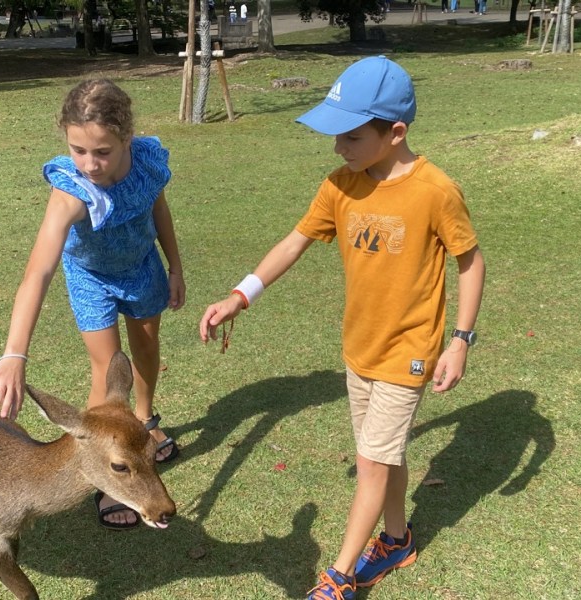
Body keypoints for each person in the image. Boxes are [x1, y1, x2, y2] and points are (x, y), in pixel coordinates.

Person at [199, 56, 485, 600]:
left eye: (350, 137)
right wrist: (241, 295)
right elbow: (295, 241)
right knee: (386, 454)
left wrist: (460, 341)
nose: (338, 148)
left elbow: (470, 261)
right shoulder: (341, 185)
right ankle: (397, 540)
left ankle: (339, 577)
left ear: (395, 132)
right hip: (360, 350)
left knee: (372, 464)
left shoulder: (435, 191)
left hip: (410, 353)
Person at [0, 79, 186, 530]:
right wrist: (14, 353)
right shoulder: (71, 191)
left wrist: (175, 267)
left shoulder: (148, 162)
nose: (90, 164)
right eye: (78, 149)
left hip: (142, 265)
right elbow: (38, 272)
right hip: (91, 278)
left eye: (102, 152)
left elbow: (159, 211)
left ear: (127, 137)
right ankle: (106, 476)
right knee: (106, 369)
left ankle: (143, 422)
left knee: (146, 350)